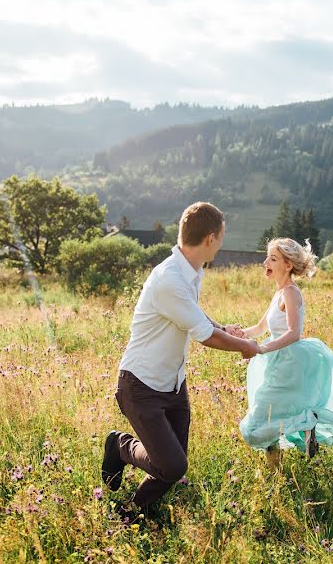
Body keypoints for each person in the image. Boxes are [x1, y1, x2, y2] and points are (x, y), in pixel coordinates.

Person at [101, 202, 260, 520]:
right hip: (141, 385)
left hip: (173, 383)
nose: (221, 244)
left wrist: (224, 327)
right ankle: (119, 447)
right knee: (173, 465)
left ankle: (132, 510)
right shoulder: (170, 279)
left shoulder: (192, 273)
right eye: (222, 238)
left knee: (170, 465)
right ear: (211, 238)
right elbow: (204, 336)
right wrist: (244, 346)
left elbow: (195, 317)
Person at [237, 237, 333, 459]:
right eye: (267, 258)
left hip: (289, 362)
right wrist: (237, 334)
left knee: (262, 419)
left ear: (288, 265)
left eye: (272, 259)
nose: (265, 263)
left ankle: (307, 426)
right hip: (276, 361)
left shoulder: (291, 292)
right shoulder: (279, 293)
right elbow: (261, 327)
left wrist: (261, 349)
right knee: (271, 418)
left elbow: (294, 333)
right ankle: (287, 457)